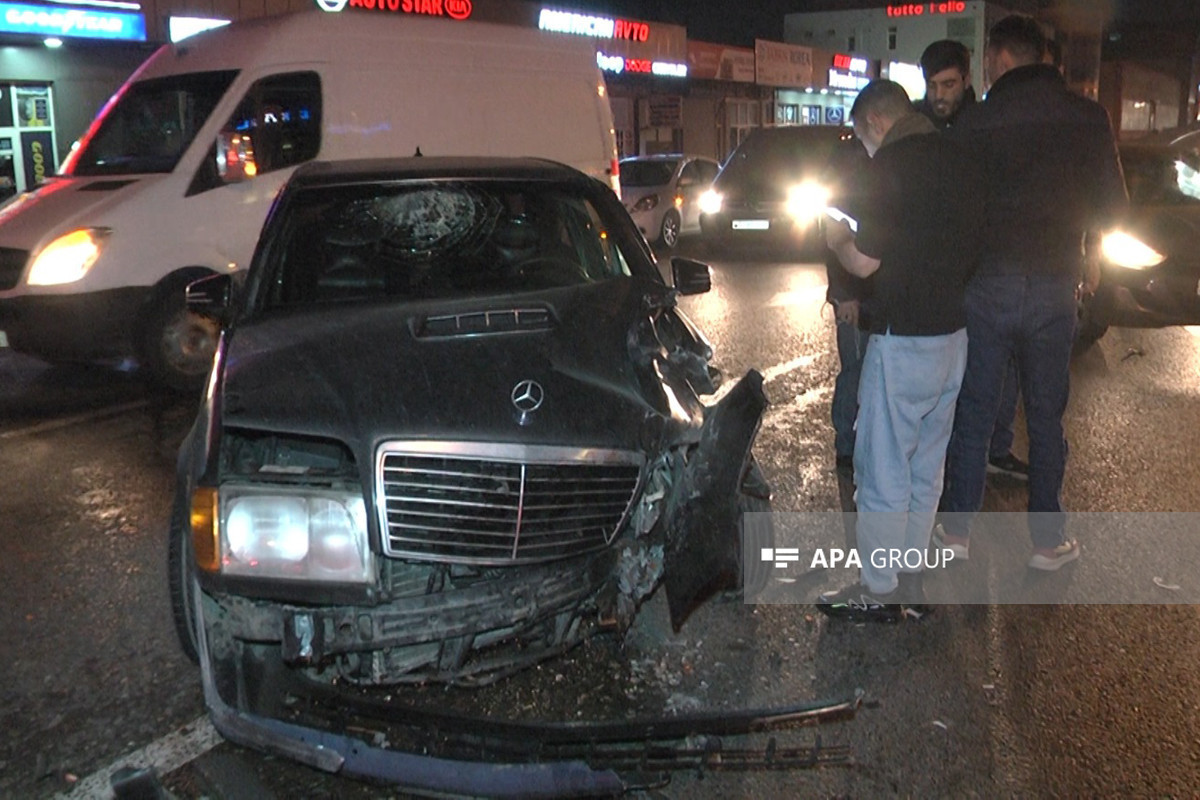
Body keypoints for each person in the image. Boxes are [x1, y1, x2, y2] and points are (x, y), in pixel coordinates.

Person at [938, 15, 1128, 569]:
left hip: (988, 283)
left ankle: (955, 535)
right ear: (1042, 57)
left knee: (974, 411)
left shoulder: (976, 122)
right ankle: (1047, 541)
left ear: (998, 59)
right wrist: (1086, 246)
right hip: (1052, 284)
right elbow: (1114, 208)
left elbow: (953, 212)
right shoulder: (1087, 117)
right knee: (1046, 416)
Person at [815, 80, 984, 623]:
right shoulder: (960, 157)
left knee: (883, 466)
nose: (865, 151)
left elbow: (864, 261)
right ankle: (909, 578)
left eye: (864, 139)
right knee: (925, 467)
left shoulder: (892, 166)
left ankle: (879, 586)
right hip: (953, 338)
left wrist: (834, 233)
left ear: (875, 125)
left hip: (903, 339)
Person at [918, 38, 1029, 482]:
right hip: (935, 274)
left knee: (991, 373)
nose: (940, 95)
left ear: (967, 81)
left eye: (948, 84)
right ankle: (947, 461)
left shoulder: (985, 125)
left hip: (982, 270)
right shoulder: (917, 125)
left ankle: (990, 451)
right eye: (932, 85)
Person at [822, 136, 873, 473]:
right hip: (855, 300)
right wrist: (845, 296)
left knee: (862, 371)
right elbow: (836, 252)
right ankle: (846, 443)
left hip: (869, 297)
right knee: (855, 371)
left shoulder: (859, 194)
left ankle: (854, 441)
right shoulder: (843, 200)